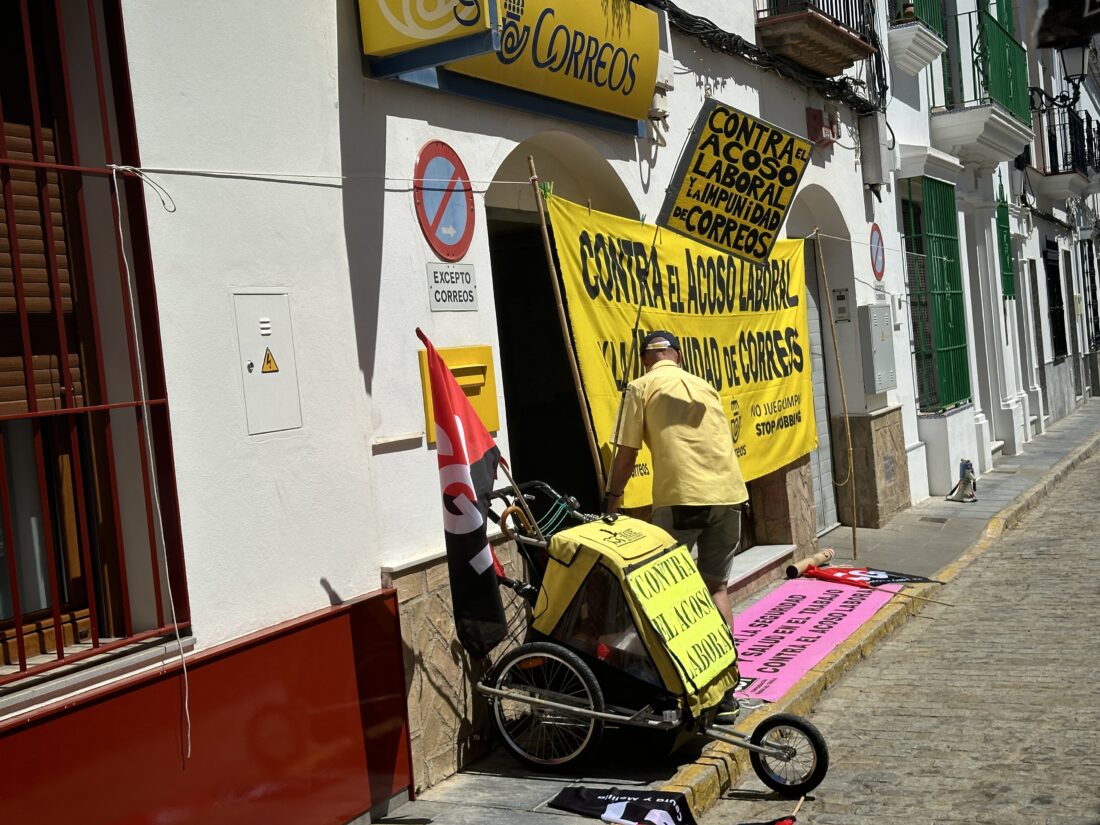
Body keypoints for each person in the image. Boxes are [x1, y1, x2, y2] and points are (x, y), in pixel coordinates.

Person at [605, 329, 748, 722]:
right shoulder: (705, 386)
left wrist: (612, 500)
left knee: (671, 593)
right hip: (730, 494)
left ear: (645, 360)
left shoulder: (640, 386)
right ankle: (726, 691)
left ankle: (682, 684)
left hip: (684, 496)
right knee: (715, 586)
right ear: (678, 356)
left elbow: (626, 454)